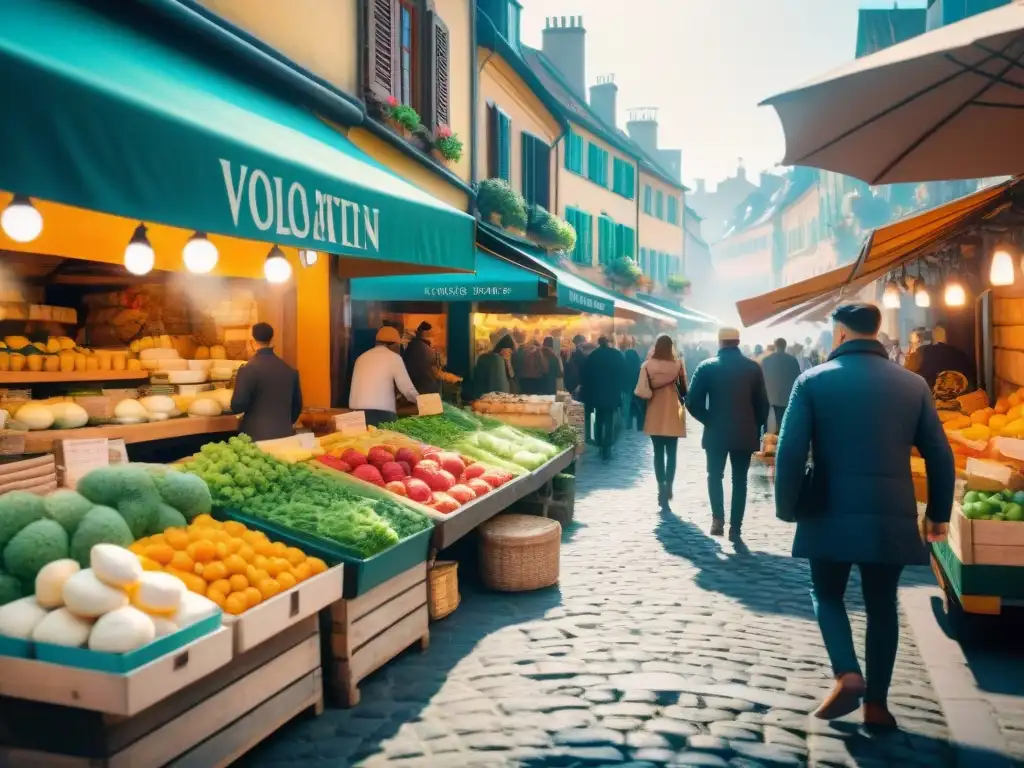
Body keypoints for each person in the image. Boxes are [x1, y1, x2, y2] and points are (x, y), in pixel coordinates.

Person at [775, 303, 954, 729]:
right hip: (891, 509)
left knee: (827, 593)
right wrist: (939, 514)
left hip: (827, 507)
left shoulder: (812, 382)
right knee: (881, 604)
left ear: (839, 333)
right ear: (876, 332)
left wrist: (787, 507)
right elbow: (940, 454)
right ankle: (877, 706)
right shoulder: (913, 385)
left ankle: (847, 672)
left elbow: (789, 453)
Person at [686, 327, 769, 540]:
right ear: (738, 341)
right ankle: (736, 528)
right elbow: (762, 404)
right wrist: (756, 426)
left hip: (716, 432)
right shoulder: (752, 368)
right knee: (740, 480)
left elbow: (692, 402)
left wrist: (708, 419)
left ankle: (717, 519)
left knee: (715, 475)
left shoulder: (706, 367)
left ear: (720, 342)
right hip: (744, 432)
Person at [635, 334, 687, 507]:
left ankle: (660, 487)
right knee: (671, 452)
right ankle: (670, 486)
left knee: (658, 452)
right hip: (673, 410)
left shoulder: (647, 366)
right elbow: (685, 388)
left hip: (654, 409)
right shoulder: (678, 364)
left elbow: (641, 390)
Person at [230, 323, 303, 442]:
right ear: (271, 340)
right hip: (284, 436)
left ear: (252, 342)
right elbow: (297, 406)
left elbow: (238, 405)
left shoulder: (247, 370)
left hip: (254, 438)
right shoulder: (290, 371)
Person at [349, 326, 420, 425]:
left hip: (355, 413)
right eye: (398, 346)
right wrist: (421, 402)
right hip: (381, 414)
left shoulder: (361, 358)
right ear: (393, 345)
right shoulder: (394, 358)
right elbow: (407, 390)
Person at [580, 336, 626, 461]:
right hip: (612, 392)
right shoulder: (617, 355)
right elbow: (623, 373)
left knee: (599, 418)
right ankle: (607, 447)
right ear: (609, 343)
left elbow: (586, 375)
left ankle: (600, 443)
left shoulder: (593, 355)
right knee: (609, 419)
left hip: (596, 393)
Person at [905, 324, 976, 393]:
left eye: (914, 343)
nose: (910, 349)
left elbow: (907, 381)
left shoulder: (921, 355)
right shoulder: (961, 356)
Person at [761, 337, 802, 432]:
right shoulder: (792, 360)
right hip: (787, 397)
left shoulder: (766, 360)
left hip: (769, 396)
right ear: (785, 346)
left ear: (775, 346)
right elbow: (798, 378)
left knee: (769, 424)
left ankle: (769, 440)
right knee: (784, 423)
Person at [403, 322, 439, 395]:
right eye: (431, 334)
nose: (433, 337)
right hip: (426, 389)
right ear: (425, 333)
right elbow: (434, 371)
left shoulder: (410, 346)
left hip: (413, 387)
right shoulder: (426, 349)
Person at [621, 337, 643, 430]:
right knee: (638, 407)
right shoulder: (639, 368)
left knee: (627, 407)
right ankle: (640, 425)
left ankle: (628, 425)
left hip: (627, 388)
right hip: (637, 388)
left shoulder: (624, 366)